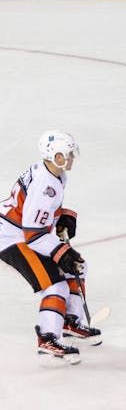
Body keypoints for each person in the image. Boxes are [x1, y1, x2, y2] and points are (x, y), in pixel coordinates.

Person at [0, 131, 101, 365]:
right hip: (12, 237)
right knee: (55, 285)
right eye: (67, 154)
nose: (72, 158)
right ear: (55, 156)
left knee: (77, 268)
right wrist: (61, 252)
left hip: (22, 230)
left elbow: (41, 211)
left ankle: (69, 322)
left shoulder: (55, 174)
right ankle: (48, 338)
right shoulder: (46, 185)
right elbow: (33, 234)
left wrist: (63, 216)